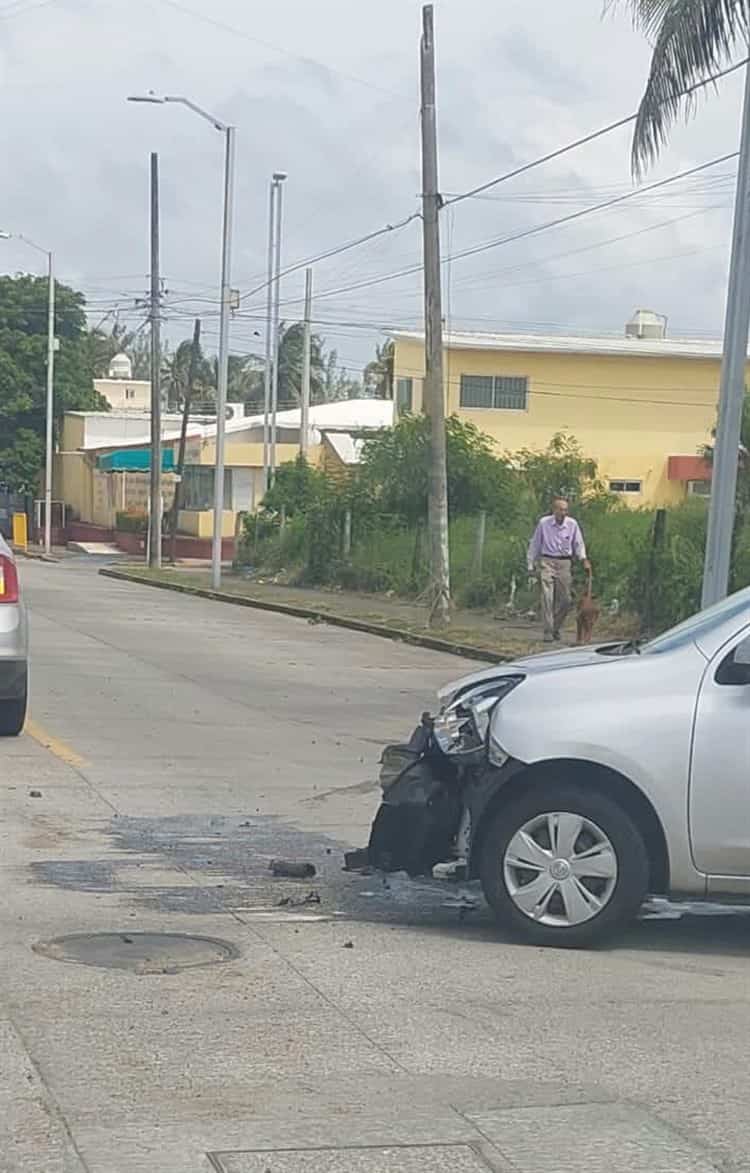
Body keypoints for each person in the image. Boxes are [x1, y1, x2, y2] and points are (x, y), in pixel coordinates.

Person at [528, 497, 591, 642]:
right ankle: (548, 631)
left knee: (566, 600)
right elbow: (535, 543)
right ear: (554, 510)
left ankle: (556, 626)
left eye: (565, 510)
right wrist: (531, 564)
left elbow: (578, 543)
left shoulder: (572, 524)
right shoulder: (544, 523)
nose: (563, 513)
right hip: (547, 560)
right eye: (561, 510)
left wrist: (583, 559)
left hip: (564, 562)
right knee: (547, 597)